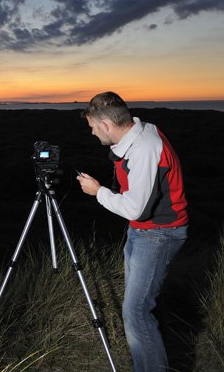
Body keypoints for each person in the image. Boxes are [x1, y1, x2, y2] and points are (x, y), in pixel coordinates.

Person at [76, 91, 188, 372]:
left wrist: (98, 191)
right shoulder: (141, 131)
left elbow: (135, 208)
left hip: (160, 233)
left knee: (136, 312)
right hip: (144, 231)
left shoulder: (144, 148)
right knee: (140, 307)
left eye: (92, 127)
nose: (91, 133)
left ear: (105, 125)